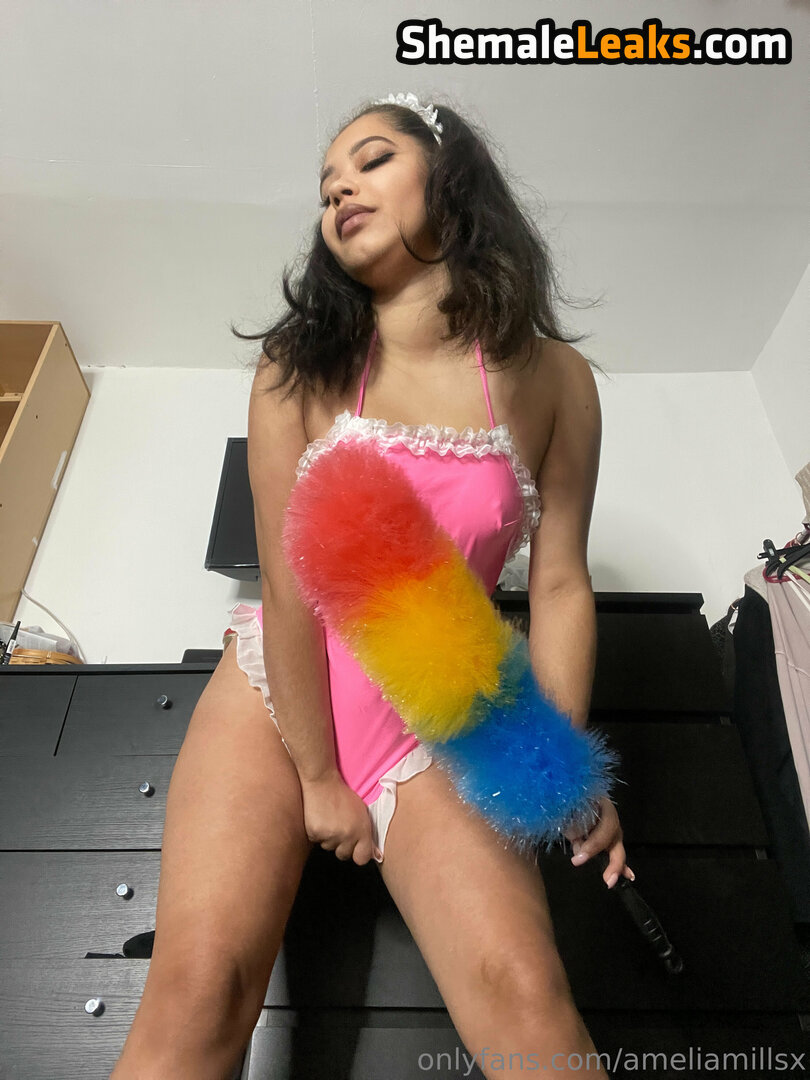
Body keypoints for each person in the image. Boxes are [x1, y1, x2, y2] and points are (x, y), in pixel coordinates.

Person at [111, 92, 632, 1080]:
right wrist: (318, 777)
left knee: (525, 994)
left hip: (444, 711)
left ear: (450, 175)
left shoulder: (557, 380)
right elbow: (287, 586)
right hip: (285, 695)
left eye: (373, 159)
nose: (340, 190)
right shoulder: (296, 368)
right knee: (203, 986)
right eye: (326, 186)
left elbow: (561, 583)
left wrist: (555, 776)